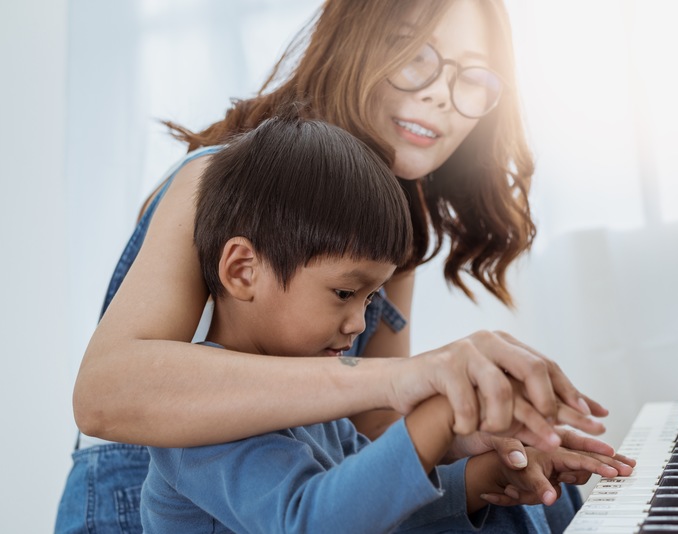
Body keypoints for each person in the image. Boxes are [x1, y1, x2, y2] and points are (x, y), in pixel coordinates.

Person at [57, 1, 634, 532]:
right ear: (353, 41)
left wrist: (465, 437)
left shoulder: (396, 222)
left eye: (475, 78)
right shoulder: (221, 182)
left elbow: (368, 425)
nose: (441, 94)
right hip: (126, 500)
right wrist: (416, 384)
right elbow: (105, 395)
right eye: (417, 55)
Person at [141, 107, 629, 534]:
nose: (358, 324)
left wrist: (484, 478)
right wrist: (435, 414)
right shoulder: (200, 419)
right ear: (244, 271)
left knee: (530, 498)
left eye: (371, 299)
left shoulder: (317, 398)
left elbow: (376, 512)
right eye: (344, 293)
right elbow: (311, 521)